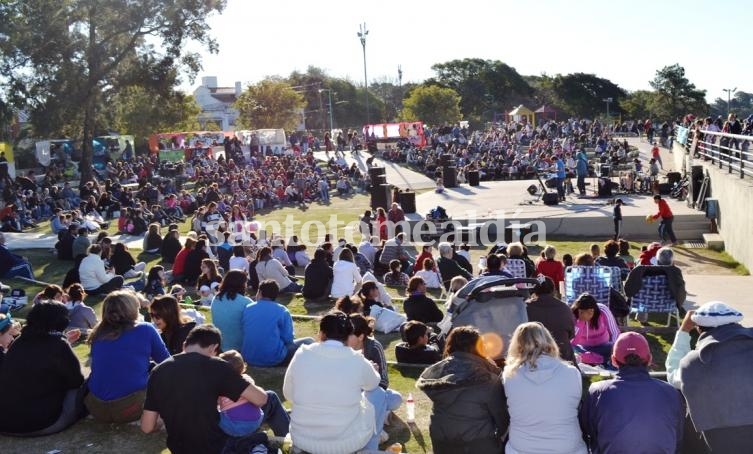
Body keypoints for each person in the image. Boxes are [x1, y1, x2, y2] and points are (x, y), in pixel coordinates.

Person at [141, 324, 289, 454]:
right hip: (218, 446)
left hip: (180, 448)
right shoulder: (217, 366)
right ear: (213, 348)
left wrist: (167, 420)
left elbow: (147, 427)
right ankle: (290, 443)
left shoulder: (158, 371)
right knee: (270, 398)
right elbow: (261, 399)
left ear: (185, 344)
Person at [283, 311, 380, 453]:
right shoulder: (357, 360)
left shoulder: (302, 354)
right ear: (348, 335)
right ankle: (371, 448)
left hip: (301, 437)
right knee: (377, 394)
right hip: (345, 443)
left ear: (321, 332)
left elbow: (289, 394)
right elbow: (374, 384)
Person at [665, 302, 753, 452]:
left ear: (699, 329)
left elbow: (673, 375)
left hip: (719, 442)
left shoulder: (692, 363)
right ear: (736, 323)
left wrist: (684, 330)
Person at [581, 332, 684, 454]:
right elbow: (677, 435)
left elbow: (587, 430)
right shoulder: (671, 392)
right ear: (649, 359)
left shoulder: (597, 391)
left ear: (614, 360)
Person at [417, 326, 509, 453]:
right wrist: (494, 370)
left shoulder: (438, 371)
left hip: (441, 441)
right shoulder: (487, 378)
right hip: (477, 444)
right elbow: (502, 421)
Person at [0, 302, 85, 436]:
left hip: (5, 423)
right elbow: (76, 381)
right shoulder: (59, 345)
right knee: (84, 388)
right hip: (41, 423)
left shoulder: (18, 343)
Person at [85, 290, 170, 423]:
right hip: (130, 407)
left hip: (97, 408)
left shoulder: (98, 333)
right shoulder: (146, 329)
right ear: (132, 310)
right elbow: (167, 363)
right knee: (160, 372)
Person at [503, 322, 587, 454]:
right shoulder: (571, 373)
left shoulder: (509, 375)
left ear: (517, 344)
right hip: (566, 447)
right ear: (548, 340)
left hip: (522, 447)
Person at [349, 313, 403, 450]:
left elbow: (384, 381)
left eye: (348, 334)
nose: (344, 337)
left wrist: (371, 376)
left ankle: (377, 419)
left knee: (395, 398)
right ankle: (376, 427)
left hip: (371, 392)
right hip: (350, 397)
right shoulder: (342, 349)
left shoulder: (373, 347)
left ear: (360, 336)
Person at [241, 279, 313, 367]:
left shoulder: (248, 308)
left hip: (248, 357)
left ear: (259, 292)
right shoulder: (282, 310)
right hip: (274, 358)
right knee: (309, 341)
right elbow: (288, 339)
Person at [525, 277, 575, 363]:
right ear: (553, 290)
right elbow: (571, 334)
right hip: (562, 354)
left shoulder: (526, 307)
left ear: (534, 291)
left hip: (535, 355)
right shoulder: (565, 308)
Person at [571, 293, 621, 366]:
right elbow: (572, 341)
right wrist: (581, 322)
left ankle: (599, 360)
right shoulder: (573, 315)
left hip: (604, 346)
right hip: (583, 349)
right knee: (573, 350)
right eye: (584, 312)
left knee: (617, 347)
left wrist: (614, 349)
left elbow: (615, 332)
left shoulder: (603, 310)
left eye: (591, 311)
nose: (590, 313)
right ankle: (600, 360)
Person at [211, 270, 252, 353]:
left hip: (220, 345)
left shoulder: (215, 299)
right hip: (240, 346)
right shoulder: (246, 302)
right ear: (242, 284)